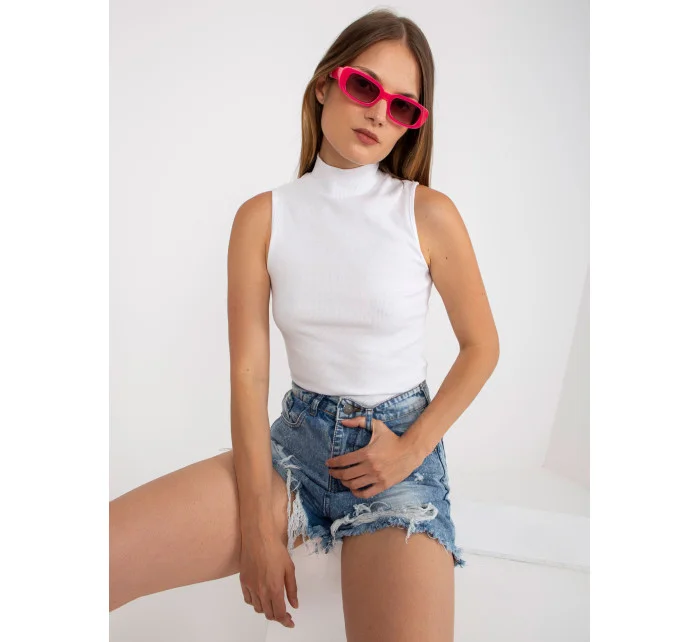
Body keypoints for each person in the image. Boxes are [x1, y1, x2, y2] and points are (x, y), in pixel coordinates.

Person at [110, 8, 499, 641]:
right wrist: (258, 532)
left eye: (402, 106)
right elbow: (248, 375)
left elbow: (482, 346)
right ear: (325, 84)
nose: (378, 113)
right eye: (365, 86)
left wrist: (410, 450)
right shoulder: (262, 218)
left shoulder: (427, 214)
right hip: (292, 450)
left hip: (396, 456)